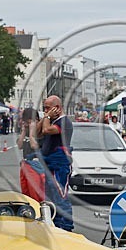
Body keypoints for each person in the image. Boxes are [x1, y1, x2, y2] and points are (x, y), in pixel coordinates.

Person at [39, 95, 74, 231]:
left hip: (60, 164)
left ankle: (66, 227)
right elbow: (37, 132)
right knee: (50, 197)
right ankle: (54, 224)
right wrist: (46, 117)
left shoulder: (64, 122)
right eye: (44, 108)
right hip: (49, 163)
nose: (45, 111)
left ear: (57, 108)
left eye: (47, 108)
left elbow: (46, 130)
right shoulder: (50, 121)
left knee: (60, 196)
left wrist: (47, 117)